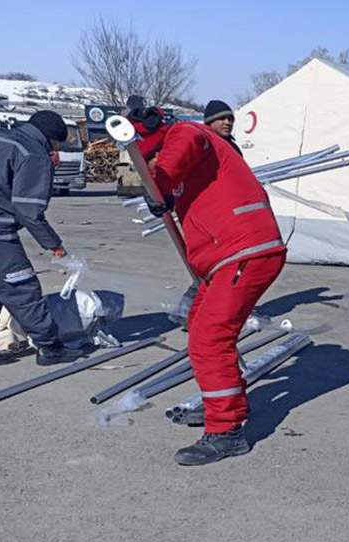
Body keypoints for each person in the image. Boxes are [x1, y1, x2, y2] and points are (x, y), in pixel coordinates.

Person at [132, 106, 286, 466]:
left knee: (209, 338)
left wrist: (162, 180)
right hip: (229, 255)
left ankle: (226, 431)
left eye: (149, 158)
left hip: (243, 250)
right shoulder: (191, 157)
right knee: (199, 326)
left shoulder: (184, 133)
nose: (150, 164)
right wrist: (165, 194)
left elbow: (177, 156)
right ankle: (221, 404)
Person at [0, 110, 86, 367]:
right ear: (51, 139)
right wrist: (54, 245)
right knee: (22, 288)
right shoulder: (33, 154)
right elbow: (28, 210)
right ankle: (50, 347)